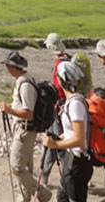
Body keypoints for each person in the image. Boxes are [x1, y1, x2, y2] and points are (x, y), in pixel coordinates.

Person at [0, 51, 52, 202]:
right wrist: (10, 107)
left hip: (25, 131)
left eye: (8, 65)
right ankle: (25, 198)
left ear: (13, 67)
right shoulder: (24, 80)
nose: (7, 68)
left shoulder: (25, 85)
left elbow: (28, 113)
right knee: (25, 167)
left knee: (16, 167)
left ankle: (43, 194)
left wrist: (9, 110)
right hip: (24, 129)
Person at [43, 61, 93, 202]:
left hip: (78, 163)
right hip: (72, 161)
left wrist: (55, 145)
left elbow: (79, 138)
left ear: (61, 79)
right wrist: (61, 137)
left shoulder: (75, 104)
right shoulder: (73, 101)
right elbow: (75, 132)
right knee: (62, 197)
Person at [41, 32, 72, 184]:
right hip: (69, 105)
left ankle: (47, 174)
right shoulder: (70, 60)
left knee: (55, 140)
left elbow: (57, 88)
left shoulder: (58, 65)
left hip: (59, 106)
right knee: (65, 138)